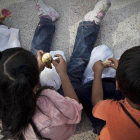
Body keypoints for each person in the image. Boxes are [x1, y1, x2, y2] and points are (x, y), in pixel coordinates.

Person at [92, 46, 140, 140]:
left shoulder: (111, 110)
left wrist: (97, 73)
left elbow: (97, 103)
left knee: (83, 91)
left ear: (117, 84)